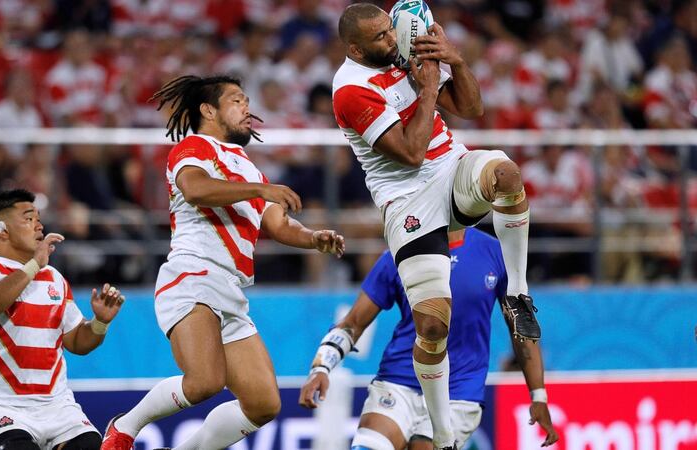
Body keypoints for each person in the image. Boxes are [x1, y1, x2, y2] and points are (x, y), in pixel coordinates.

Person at [332, 4, 541, 448]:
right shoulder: (351, 90)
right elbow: (408, 153)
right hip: (407, 200)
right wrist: (426, 88)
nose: (393, 42)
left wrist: (455, 60)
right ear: (355, 48)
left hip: (450, 168)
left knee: (507, 175)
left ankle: (519, 291)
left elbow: (473, 108)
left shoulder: (403, 53)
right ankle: (443, 434)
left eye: (392, 31)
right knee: (431, 326)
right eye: (381, 40)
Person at [100, 75, 346, 450]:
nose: (247, 107)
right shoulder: (194, 147)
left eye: (247, 100)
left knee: (263, 403)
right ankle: (125, 426)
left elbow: (277, 223)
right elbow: (196, 189)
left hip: (230, 288)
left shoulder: (246, 165)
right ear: (208, 110)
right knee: (203, 383)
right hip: (193, 275)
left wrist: (313, 238)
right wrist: (261, 189)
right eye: (236, 100)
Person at [299, 229, 559, 449]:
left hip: (458, 391)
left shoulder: (497, 253)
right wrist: (321, 367)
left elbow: (522, 330)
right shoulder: (402, 250)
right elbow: (353, 323)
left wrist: (539, 395)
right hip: (399, 382)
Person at [0, 189, 125, 450]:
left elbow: (77, 342)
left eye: (39, 219)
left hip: (58, 407)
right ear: (3, 230)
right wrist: (33, 266)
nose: (39, 225)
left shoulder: (54, 278)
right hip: (0, 406)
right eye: (29, 218)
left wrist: (100, 322)